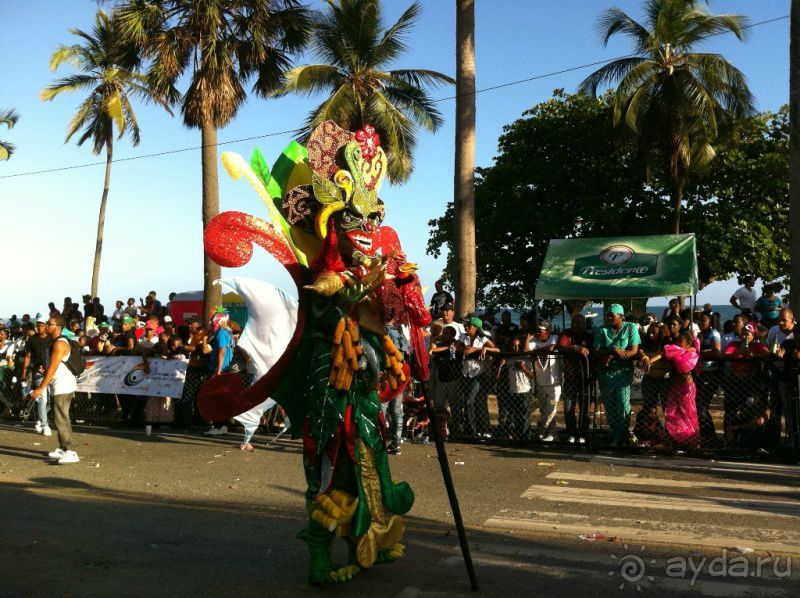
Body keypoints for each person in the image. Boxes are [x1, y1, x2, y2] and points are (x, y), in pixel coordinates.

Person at [28, 316, 80, 464]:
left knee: (61, 418)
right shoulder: (54, 343)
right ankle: (63, 448)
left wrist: (40, 388)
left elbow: (53, 368)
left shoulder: (60, 344)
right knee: (59, 417)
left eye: (49, 324)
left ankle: (70, 451)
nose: (46, 326)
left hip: (63, 386)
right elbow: (50, 366)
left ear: (57, 327)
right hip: (58, 385)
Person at [594, 303, 641, 446]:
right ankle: (615, 435)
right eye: (607, 315)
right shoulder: (602, 330)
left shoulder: (630, 327)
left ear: (621, 316)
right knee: (610, 406)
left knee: (623, 404)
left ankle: (623, 433)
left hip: (623, 373)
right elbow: (596, 350)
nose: (609, 318)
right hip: (606, 373)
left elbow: (633, 350)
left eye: (612, 315)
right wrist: (614, 351)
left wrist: (613, 355)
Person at [650, 331, 701, 448]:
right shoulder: (675, 350)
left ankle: (692, 441)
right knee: (672, 413)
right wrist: (650, 360)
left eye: (680, 341)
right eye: (677, 340)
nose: (678, 342)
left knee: (688, 414)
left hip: (687, 387)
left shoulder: (692, 353)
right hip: (676, 386)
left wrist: (685, 352)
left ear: (688, 343)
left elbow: (685, 367)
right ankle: (681, 439)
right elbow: (663, 353)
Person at [461, 317, 499, 438]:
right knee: (471, 402)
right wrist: (462, 349)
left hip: (478, 374)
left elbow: (497, 349)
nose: (467, 328)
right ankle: (472, 428)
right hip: (465, 372)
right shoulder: (463, 337)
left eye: (469, 326)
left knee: (470, 401)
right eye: (466, 326)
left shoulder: (483, 338)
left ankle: (473, 430)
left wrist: (482, 348)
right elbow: (456, 346)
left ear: (476, 328)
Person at [557, 313, 591, 444]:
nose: (575, 325)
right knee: (568, 406)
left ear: (584, 324)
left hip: (584, 376)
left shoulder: (587, 336)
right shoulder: (566, 333)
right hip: (570, 376)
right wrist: (576, 349)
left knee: (584, 407)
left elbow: (592, 351)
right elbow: (560, 346)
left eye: (578, 323)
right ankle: (571, 433)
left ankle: (583, 433)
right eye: (574, 322)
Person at [526, 320, 562, 442]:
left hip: (554, 382)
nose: (538, 332)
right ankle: (552, 433)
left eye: (540, 330)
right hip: (540, 382)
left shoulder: (554, 337)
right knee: (543, 409)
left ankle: (541, 430)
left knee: (552, 409)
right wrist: (528, 337)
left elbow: (552, 347)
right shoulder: (534, 341)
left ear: (547, 331)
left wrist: (534, 352)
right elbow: (526, 351)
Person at [20, 315, 52, 436]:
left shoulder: (51, 339)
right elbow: (28, 357)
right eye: (38, 325)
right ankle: (45, 425)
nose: (39, 327)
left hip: (51, 372)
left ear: (46, 326)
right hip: (37, 373)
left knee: (52, 401)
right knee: (42, 398)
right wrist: (24, 373)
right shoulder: (32, 340)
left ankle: (39, 419)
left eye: (42, 325)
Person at [429, 324, 462, 440]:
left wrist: (449, 348)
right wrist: (436, 341)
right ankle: (440, 430)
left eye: (447, 333)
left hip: (454, 378)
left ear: (452, 335)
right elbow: (431, 351)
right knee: (439, 406)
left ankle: (456, 430)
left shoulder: (458, 343)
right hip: (441, 379)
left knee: (455, 406)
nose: (444, 335)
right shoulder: (440, 344)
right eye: (443, 332)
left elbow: (455, 351)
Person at [205, 308, 234, 436]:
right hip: (224, 369)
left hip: (220, 370)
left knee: (216, 398)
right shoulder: (227, 332)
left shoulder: (222, 332)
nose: (211, 322)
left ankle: (218, 426)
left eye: (213, 320)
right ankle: (222, 426)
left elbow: (222, 352)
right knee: (221, 399)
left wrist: (218, 370)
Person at [695, 313, 722, 447]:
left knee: (702, 407)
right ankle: (705, 436)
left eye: (703, 320)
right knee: (698, 406)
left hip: (710, 374)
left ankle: (711, 437)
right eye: (699, 320)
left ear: (710, 321)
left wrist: (698, 354)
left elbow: (716, 352)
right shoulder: (699, 335)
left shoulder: (714, 334)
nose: (700, 322)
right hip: (699, 374)